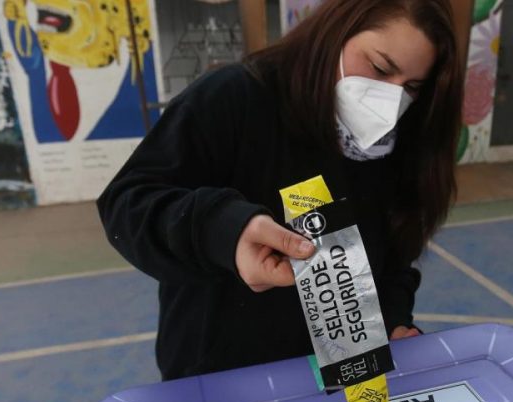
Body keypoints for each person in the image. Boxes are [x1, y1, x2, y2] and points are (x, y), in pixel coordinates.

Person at [98, 0, 463, 381]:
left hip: (342, 379)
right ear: (336, 32)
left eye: (411, 87)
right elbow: (128, 203)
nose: (390, 101)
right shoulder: (236, 97)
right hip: (222, 380)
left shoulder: (396, 141)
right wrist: (223, 231)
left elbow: (394, 256)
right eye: (379, 67)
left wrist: (392, 323)